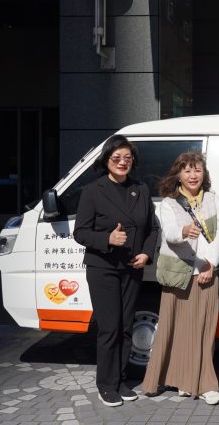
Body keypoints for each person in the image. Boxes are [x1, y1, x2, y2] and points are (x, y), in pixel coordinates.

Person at [73, 135, 158, 407]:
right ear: (106, 160)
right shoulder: (93, 190)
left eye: (127, 158)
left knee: (125, 327)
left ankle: (121, 381)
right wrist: (107, 239)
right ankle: (106, 385)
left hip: (132, 267)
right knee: (110, 328)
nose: (122, 162)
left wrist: (146, 253)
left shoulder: (140, 189)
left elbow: (152, 228)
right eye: (117, 158)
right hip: (104, 267)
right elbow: (80, 232)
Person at [142, 152, 219, 405]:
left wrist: (210, 265)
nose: (193, 175)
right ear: (178, 175)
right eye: (187, 170)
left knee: (204, 331)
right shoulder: (168, 203)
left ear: (204, 174)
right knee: (176, 330)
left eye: (197, 170)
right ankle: (182, 380)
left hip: (206, 272)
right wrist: (184, 230)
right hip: (178, 274)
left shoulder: (213, 200)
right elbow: (169, 233)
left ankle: (206, 385)